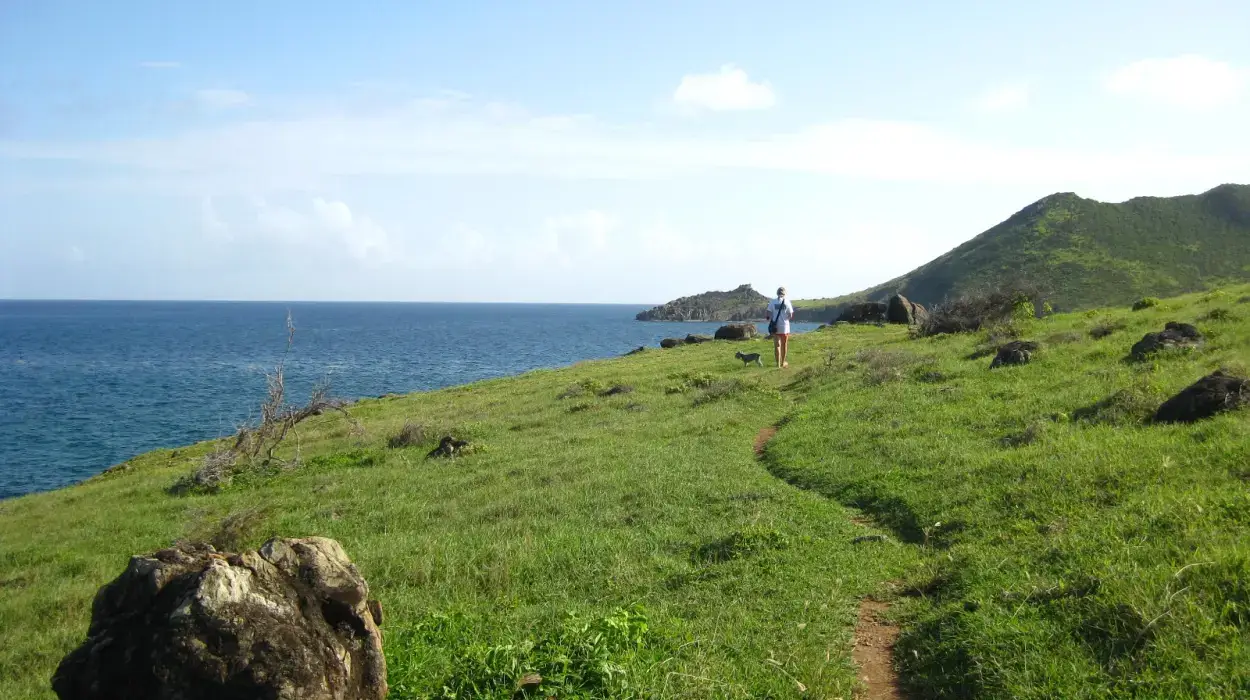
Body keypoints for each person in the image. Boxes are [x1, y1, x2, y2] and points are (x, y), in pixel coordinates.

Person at [767, 286, 795, 368]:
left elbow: (768, 313)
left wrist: (771, 319)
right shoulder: (787, 302)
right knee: (784, 344)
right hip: (785, 327)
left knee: (777, 345)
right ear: (784, 293)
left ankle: (778, 364)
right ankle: (783, 362)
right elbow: (791, 314)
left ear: (777, 293)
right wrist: (786, 319)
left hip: (776, 326)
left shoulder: (772, 302)